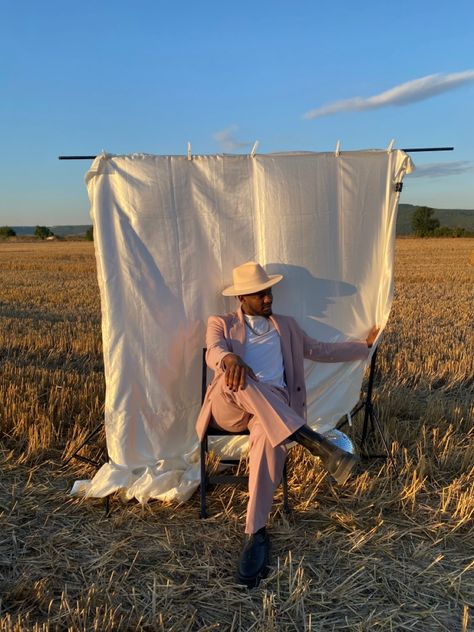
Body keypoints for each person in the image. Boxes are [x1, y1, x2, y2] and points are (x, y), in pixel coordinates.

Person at [195, 261, 379, 587]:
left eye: (269, 292)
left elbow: (319, 349)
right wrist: (230, 359)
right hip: (231, 403)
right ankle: (315, 443)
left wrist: (364, 347)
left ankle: (255, 534)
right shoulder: (221, 323)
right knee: (234, 378)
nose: (268, 299)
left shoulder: (287, 326)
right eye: (259, 294)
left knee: (268, 433)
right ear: (242, 299)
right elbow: (215, 351)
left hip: (273, 410)